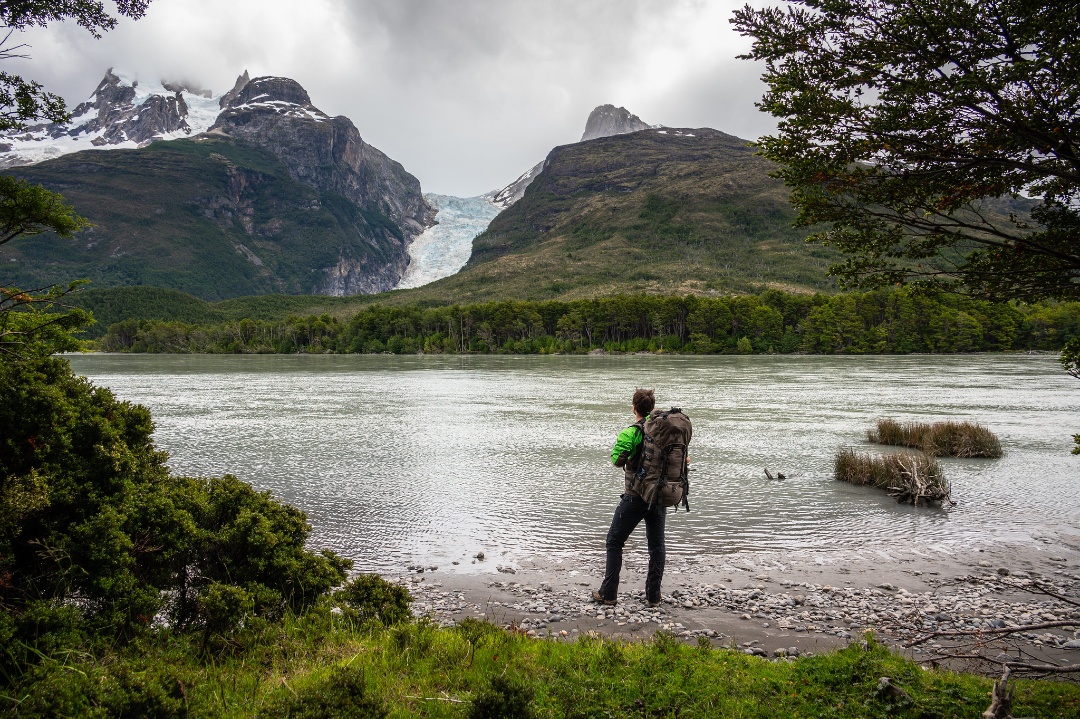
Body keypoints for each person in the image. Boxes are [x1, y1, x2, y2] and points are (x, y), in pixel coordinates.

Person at [592, 387, 665, 608]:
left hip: (636, 496)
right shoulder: (663, 432)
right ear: (652, 407)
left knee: (614, 540)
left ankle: (609, 593)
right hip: (659, 497)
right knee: (656, 546)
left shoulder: (631, 432)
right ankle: (653, 597)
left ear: (634, 407)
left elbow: (616, 461)